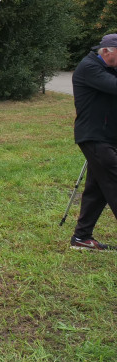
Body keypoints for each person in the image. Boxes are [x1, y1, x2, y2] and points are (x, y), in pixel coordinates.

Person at [70, 33, 117, 250]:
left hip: (106, 136)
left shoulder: (107, 67)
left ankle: (81, 238)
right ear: (106, 51)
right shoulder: (90, 67)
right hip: (94, 136)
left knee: (97, 189)